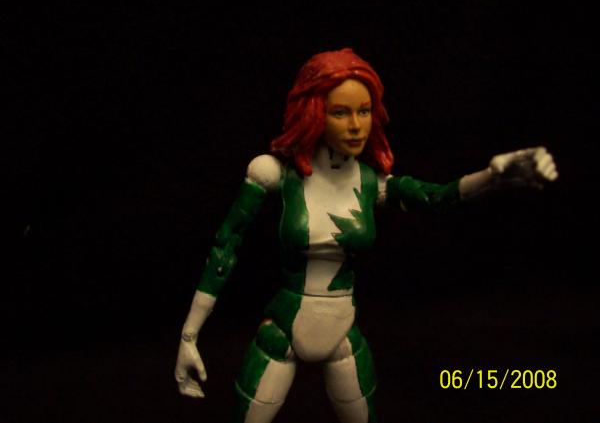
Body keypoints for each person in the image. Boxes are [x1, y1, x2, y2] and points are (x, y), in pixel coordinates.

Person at [174, 48, 558, 423]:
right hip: (282, 330)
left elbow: (436, 197)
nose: (357, 125)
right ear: (315, 113)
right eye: (341, 112)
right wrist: (189, 336)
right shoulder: (274, 174)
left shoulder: (372, 183)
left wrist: (494, 176)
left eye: (364, 111)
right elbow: (226, 245)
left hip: (343, 332)